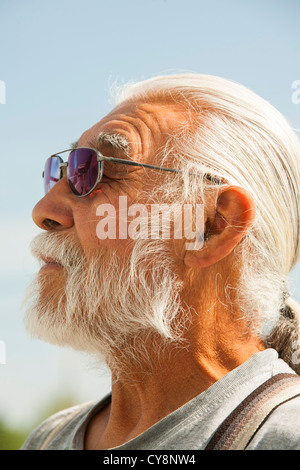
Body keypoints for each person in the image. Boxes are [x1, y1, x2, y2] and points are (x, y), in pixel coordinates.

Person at [21, 74, 300, 450]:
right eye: (64, 171)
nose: (43, 212)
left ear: (213, 226)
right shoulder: (47, 438)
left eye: (93, 171)